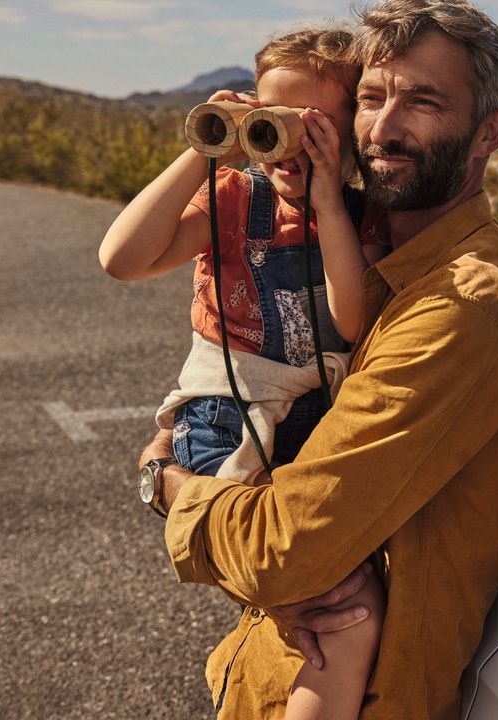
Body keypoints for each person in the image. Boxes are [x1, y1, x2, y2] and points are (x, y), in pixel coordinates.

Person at [135, 1, 498, 718]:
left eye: (423, 101)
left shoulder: (463, 310)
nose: (383, 129)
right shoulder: (376, 262)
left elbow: (283, 551)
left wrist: (164, 478)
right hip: (269, 672)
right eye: (371, 97)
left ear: (491, 131)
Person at [100, 28, 388, 720]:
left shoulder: (359, 218)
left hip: (308, 429)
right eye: (269, 121)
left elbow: (352, 322)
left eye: (312, 127)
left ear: (350, 132)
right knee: (333, 605)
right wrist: (203, 149)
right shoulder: (233, 197)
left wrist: (325, 206)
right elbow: (122, 258)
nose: (284, 145)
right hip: (225, 422)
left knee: (331, 605)